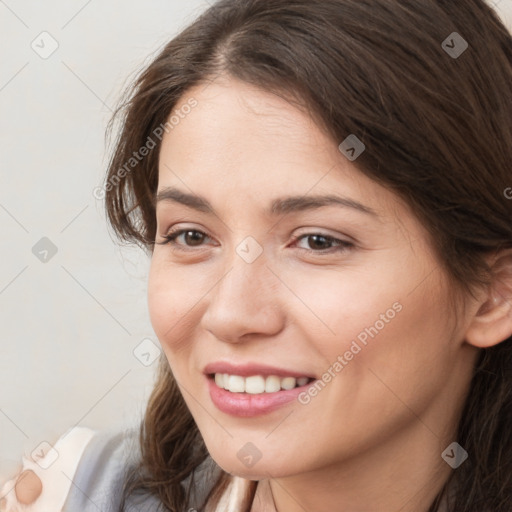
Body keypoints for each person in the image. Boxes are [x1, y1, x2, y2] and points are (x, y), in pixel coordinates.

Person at [2, 0, 512, 510]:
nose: (231, 315)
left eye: (318, 241)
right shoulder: (73, 494)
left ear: (494, 294)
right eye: (191, 236)